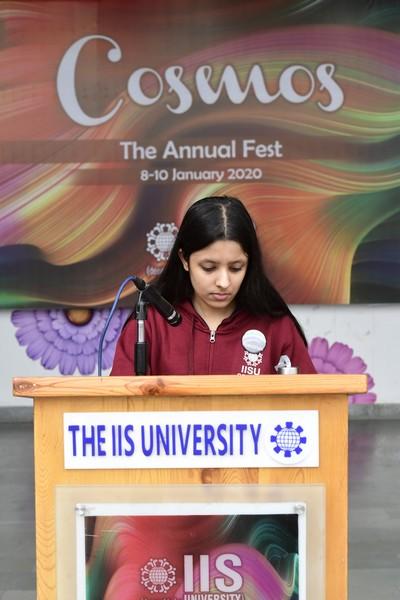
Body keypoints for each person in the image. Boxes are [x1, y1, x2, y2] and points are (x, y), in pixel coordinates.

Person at [111, 195, 316, 376]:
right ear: (184, 259)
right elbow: (121, 402)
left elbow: (309, 401)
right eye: (209, 268)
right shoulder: (149, 323)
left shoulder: (276, 326)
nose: (223, 282)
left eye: (236, 268)